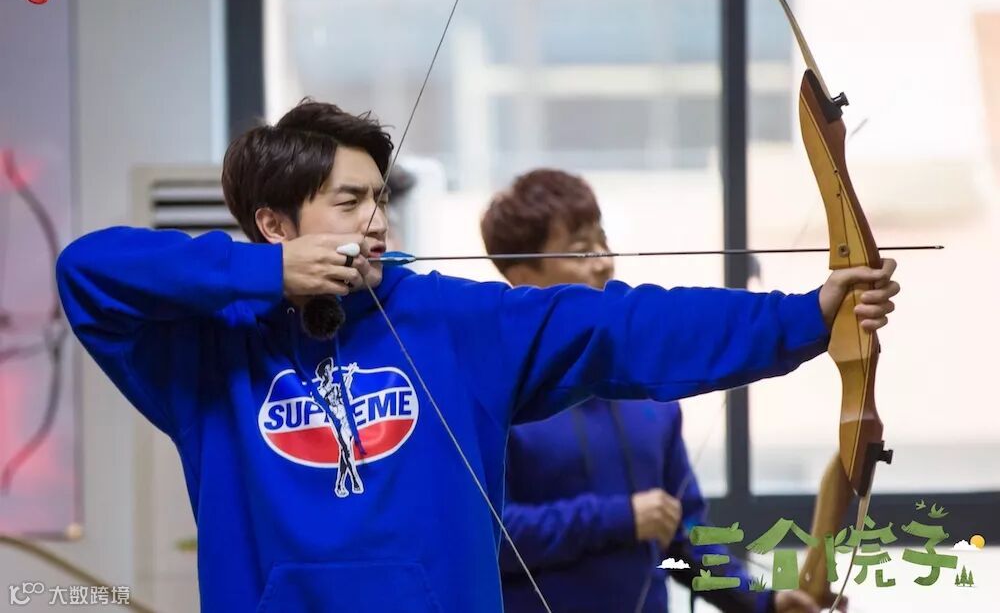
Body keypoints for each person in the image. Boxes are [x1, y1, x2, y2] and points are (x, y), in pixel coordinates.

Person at [54, 100, 898, 612]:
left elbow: (626, 326)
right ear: (275, 224)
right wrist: (264, 275)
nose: (375, 221)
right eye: (348, 201)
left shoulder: (451, 320)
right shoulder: (211, 349)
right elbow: (87, 271)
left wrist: (806, 316)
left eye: (379, 199)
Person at [484, 169, 825, 613]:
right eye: (581, 248)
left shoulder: (648, 398)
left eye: (604, 242)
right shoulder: (498, 394)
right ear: (521, 274)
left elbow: (683, 537)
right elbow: (487, 535)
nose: (603, 262)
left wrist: (765, 602)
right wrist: (621, 517)